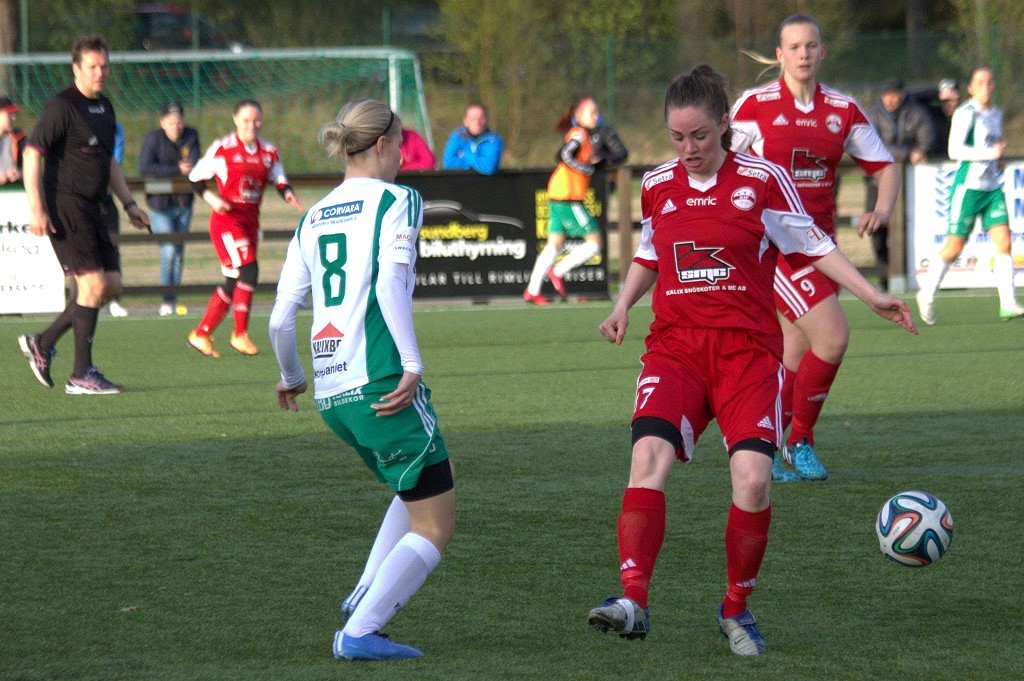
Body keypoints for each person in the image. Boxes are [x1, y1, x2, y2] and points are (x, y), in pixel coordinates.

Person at [585, 65, 916, 657]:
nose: (688, 149)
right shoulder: (657, 183)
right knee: (647, 457)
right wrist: (621, 306)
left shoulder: (762, 180)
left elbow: (814, 245)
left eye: (699, 136)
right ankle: (633, 599)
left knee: (754, 480)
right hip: (676, 349)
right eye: (677, 137)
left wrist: (870, 295)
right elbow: (651, 252)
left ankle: (735, 608)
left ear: (724, 125)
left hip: (748, 356)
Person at [268, 98, 455, 661]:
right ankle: (360, 631)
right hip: (381, 380)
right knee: (436, 522)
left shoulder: (312, 217)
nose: (403, 157)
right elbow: (390, 284)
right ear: (380, 145)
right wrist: (412, 363)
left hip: (331, 391)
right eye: (400, 146)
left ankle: (365, 593)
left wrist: (291, 376)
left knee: (417, 482)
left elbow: (280, 318)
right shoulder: (398, 199)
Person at [730, 13, 899, 482]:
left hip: (823, 248)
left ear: (823, 52)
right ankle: (800, 440)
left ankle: (764, 447)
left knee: (793, 354)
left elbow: (885, 167)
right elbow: (723, 163)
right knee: (833, 336)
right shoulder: (756, 106)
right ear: (780, 54)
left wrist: (882, 210)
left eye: (811, 46)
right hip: (777, 249)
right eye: (794, 46)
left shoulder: (842, 109)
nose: (803, 54)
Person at [17, 35, 150, 395]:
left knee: (112, 286)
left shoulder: (105, 107)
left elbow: (109, 163)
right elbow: (32, 154)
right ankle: (81, 374)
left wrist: (130, 204)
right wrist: (36, 207)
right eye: (92, 66)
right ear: (76, 69)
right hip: (65, 204)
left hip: (95, 206)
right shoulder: (62, 106)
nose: (100, 72)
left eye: (104, 65)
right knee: (91, 286)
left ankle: (43, 343)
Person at [186, 98, 303, 358]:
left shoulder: (269, 152)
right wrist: (213, 199)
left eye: (256, 120)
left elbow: (279, 179)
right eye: (246, 120)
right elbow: (194, 178)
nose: (252, 125)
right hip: (227, 222)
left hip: (250, 223)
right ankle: (240, 334)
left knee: (233, 280)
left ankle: (201, 334)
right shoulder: (223, 148)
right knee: (249, 270)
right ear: (235, 120)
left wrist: (288, 194)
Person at [915, 66, 1024, 324]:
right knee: (954, 247)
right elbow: (955, 150)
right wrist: (989, 154)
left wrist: (999, 159)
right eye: (980, 82)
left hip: (992, 188)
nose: (986, 87)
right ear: (971, 88)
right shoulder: (965, 113)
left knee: (1004, 242)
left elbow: (992, 146)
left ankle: (1007, 303)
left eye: (990, 82)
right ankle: (926, 293)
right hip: (969, 188)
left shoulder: (995, 114)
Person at [523, 96, 626, 304]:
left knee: (554, 244)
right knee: (595, 242)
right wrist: (587, 168)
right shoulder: (579, 134)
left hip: (558, 193)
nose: (596, 116)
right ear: (578, 116)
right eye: (591, 113)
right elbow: (565, 155)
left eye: (597, 112)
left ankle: (532, 290)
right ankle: (558, 271)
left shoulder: (585, 135)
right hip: (568, 196)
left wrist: (593, 163)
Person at [865, 77, 935, 290]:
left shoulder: (917, 113)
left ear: (902, 95)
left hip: (909, 183)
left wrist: (919, 151)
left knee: (905, 228)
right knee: (875, 229)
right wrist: (906, 154)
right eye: (886, 96)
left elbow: (927, 141)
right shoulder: (872, 115)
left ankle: (905, 275)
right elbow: (871, 145)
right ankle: (884, 275)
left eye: (894, 96)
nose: (889, 100)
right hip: (876, 182)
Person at [139, 100, 201, 316]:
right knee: (169, 250)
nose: (177, 126)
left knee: (179, 253)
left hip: (184, 203)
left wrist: (187, 169)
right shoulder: (153, 139)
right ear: (163, 122)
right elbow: (145, 168)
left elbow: (195, 164)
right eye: (172, 122)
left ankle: (173, 299)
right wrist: (176, 169)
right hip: (159, 205)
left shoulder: (191, 136)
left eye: (180, 121)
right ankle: (166, 300)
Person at [102, 123, 129, 317]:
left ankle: (113, 300)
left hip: (106, 201)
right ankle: (86, 300)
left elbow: (114, 164)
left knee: (112, 249)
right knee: (85, 253)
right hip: (80, 204)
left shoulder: (115, 129)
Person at [441, 103, 503, 175]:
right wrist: (478, 165)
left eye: (481, 119)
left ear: (486, 120)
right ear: (465, 121)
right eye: (473, 119)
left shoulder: (494, 140)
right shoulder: (457, 137)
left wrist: (465, 155)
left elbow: (489, 167)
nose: (477, 122)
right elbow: (448, 163)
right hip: (460, 181)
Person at [0, 95, 25, 184]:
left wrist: (20, 173)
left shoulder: (19, 137)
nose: (14, 118)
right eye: (10, 114)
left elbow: (33, 169)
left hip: (13, 190)